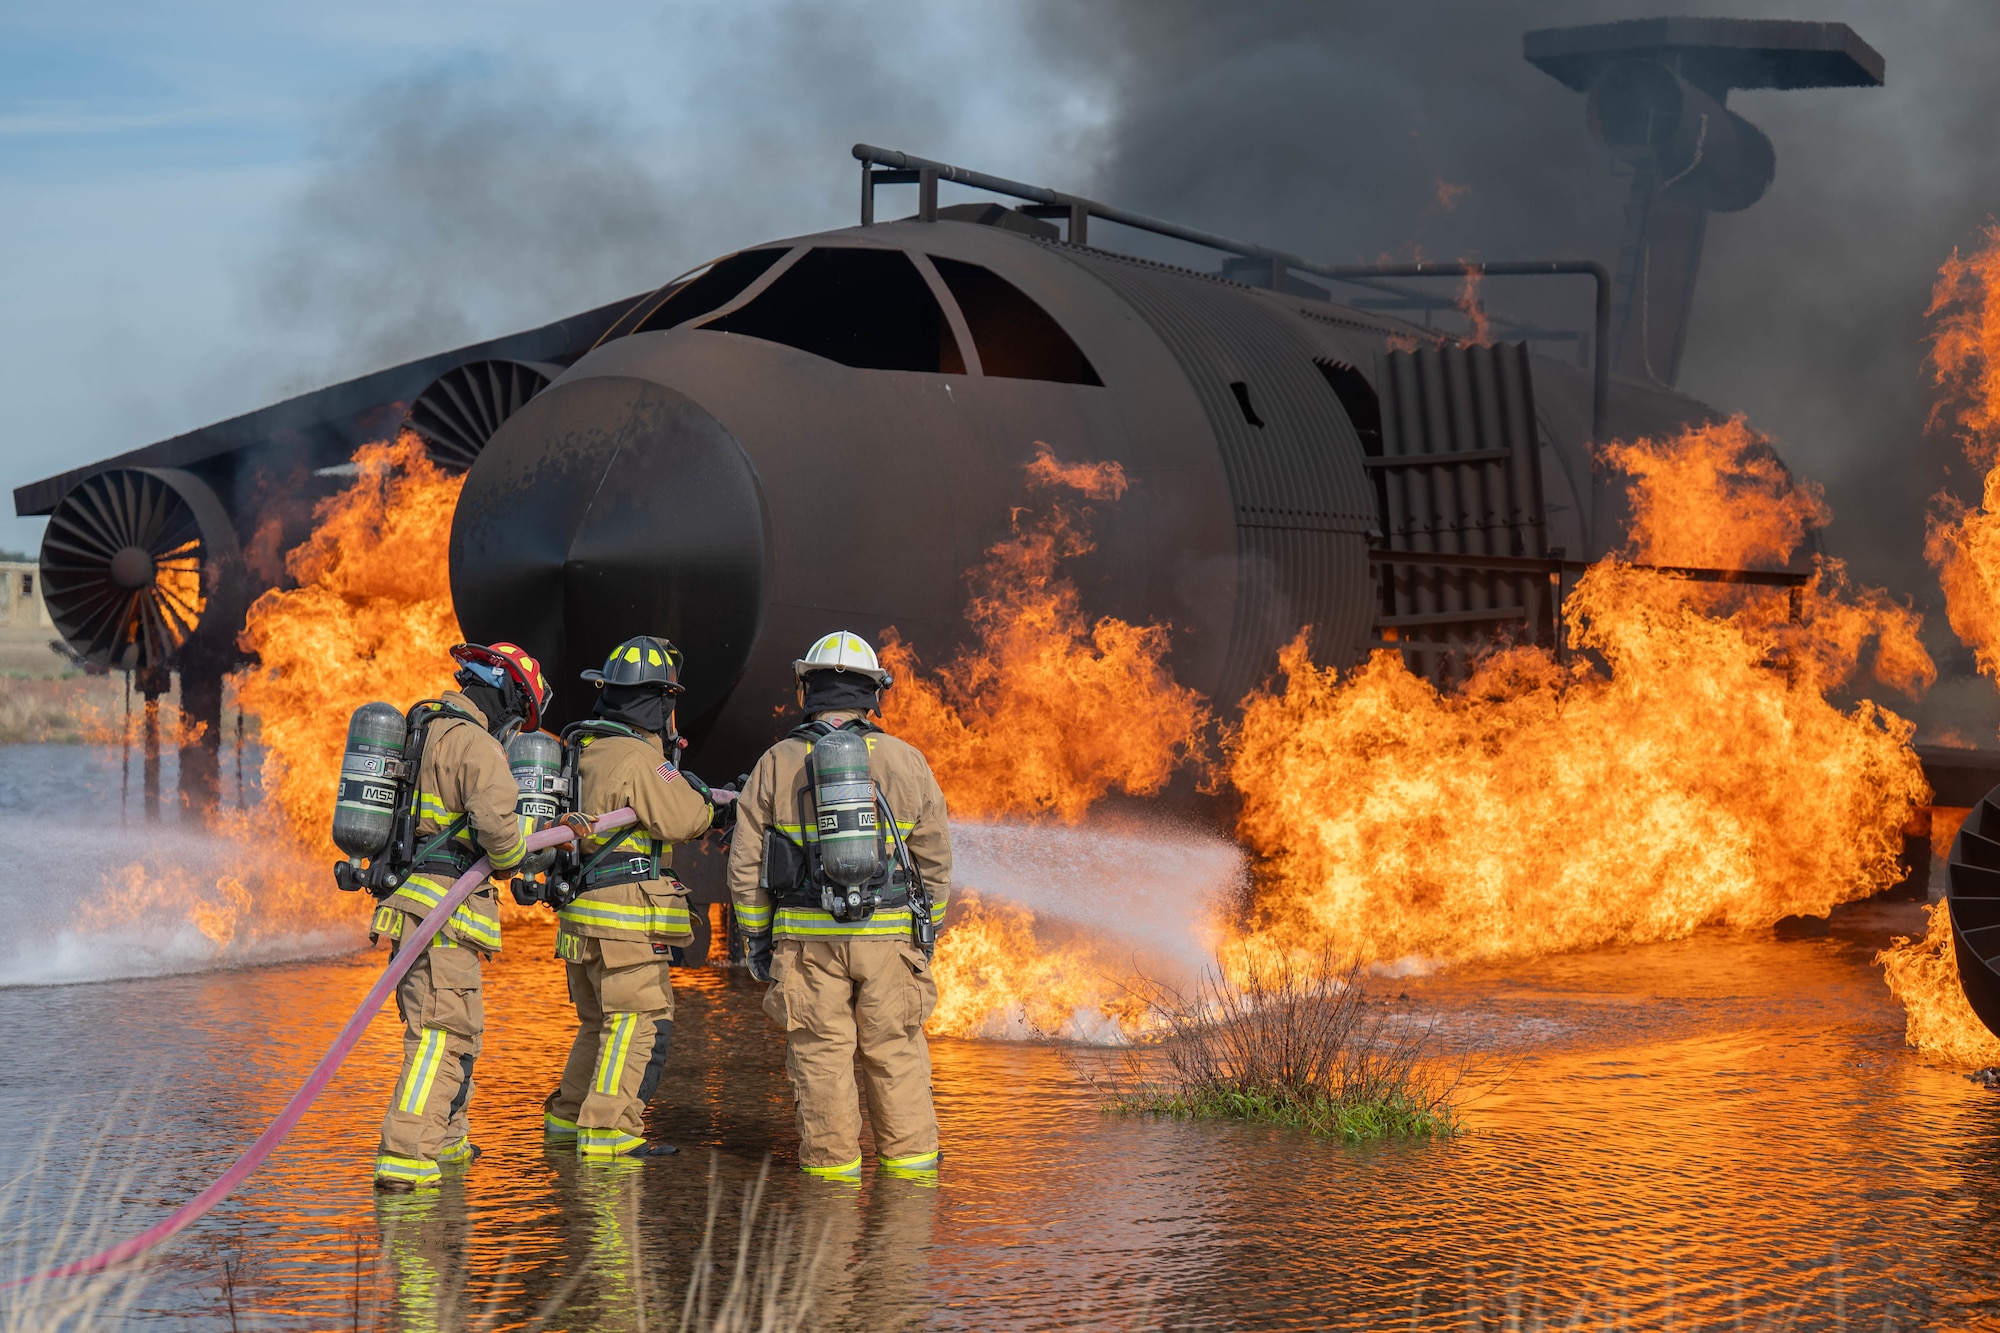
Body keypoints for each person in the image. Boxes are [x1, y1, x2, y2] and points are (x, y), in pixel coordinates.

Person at [727, 631, 952, 1181]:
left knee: (821, 1059)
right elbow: (936, 863)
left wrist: (758, 940)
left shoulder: (777, 764)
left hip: (807, 945)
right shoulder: (906, 761)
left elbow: (744, 868)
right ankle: (912, 1189)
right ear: (872, 694)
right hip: (890, 942)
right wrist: (924, 936)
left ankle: (830, 1194)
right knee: (894, 1054)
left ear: (809, 689)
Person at [373, 640, 551, 1193]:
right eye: (519, 714)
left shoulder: (420, 730)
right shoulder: (476, 746)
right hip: (443, 915)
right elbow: (502, 840)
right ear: (505, 696)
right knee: (440, 1034)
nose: (516, 727)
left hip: (411, 908)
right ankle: (406, 1154)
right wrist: (525, 851)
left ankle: (447, 1142)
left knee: (456, 1031)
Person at [543, 635, 727, 1158]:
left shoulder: (582, 748)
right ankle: (608, 1131)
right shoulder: (639, 758)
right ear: (661, 701)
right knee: (636, 1022)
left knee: (598, 1023)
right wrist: (706, 799)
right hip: (626, 921)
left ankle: (567, 1120)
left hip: (581, 918)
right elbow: (686, 818)